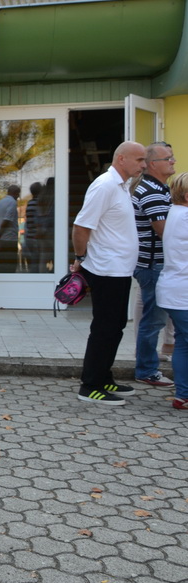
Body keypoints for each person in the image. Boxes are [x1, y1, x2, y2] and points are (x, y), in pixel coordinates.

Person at [71, 141, 147, 405]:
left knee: (115, 327)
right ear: (121, 159)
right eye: (139, 160)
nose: (143, 165)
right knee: (105, 328)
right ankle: (90, 386)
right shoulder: (104, 185)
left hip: (119, 270)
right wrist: (80, 258)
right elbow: (81, 227)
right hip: (106, 270)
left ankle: (103, 378)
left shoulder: (122, 186)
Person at [131, 141, 176, 387]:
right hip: (153, 265)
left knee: (155, 318)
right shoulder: (151, 191)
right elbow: (164, 231)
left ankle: (147, 365)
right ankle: (147, 370)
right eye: (168, 158)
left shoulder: (159, 188)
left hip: (155, 265)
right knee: (154, 320)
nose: (173, 161)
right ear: (152, 164)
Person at [156, 172, 188, 409]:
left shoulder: (174, 212)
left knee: (183, 343)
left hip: (173, 289)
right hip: (182, 292)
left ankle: (183, 396)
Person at [0, 184, 20, 273]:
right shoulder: (12, 202)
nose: (18, 196)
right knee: (9, 265)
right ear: (16, 193)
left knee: (1, 264)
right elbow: (7, 220)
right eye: (18, 194)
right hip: (9, 238)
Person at [23, 181, 43, 273]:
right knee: (37, 261)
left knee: (33, 261)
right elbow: (38, 220)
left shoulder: (30, 203)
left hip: (29, 236)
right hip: (36, 236)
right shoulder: (39, 203)